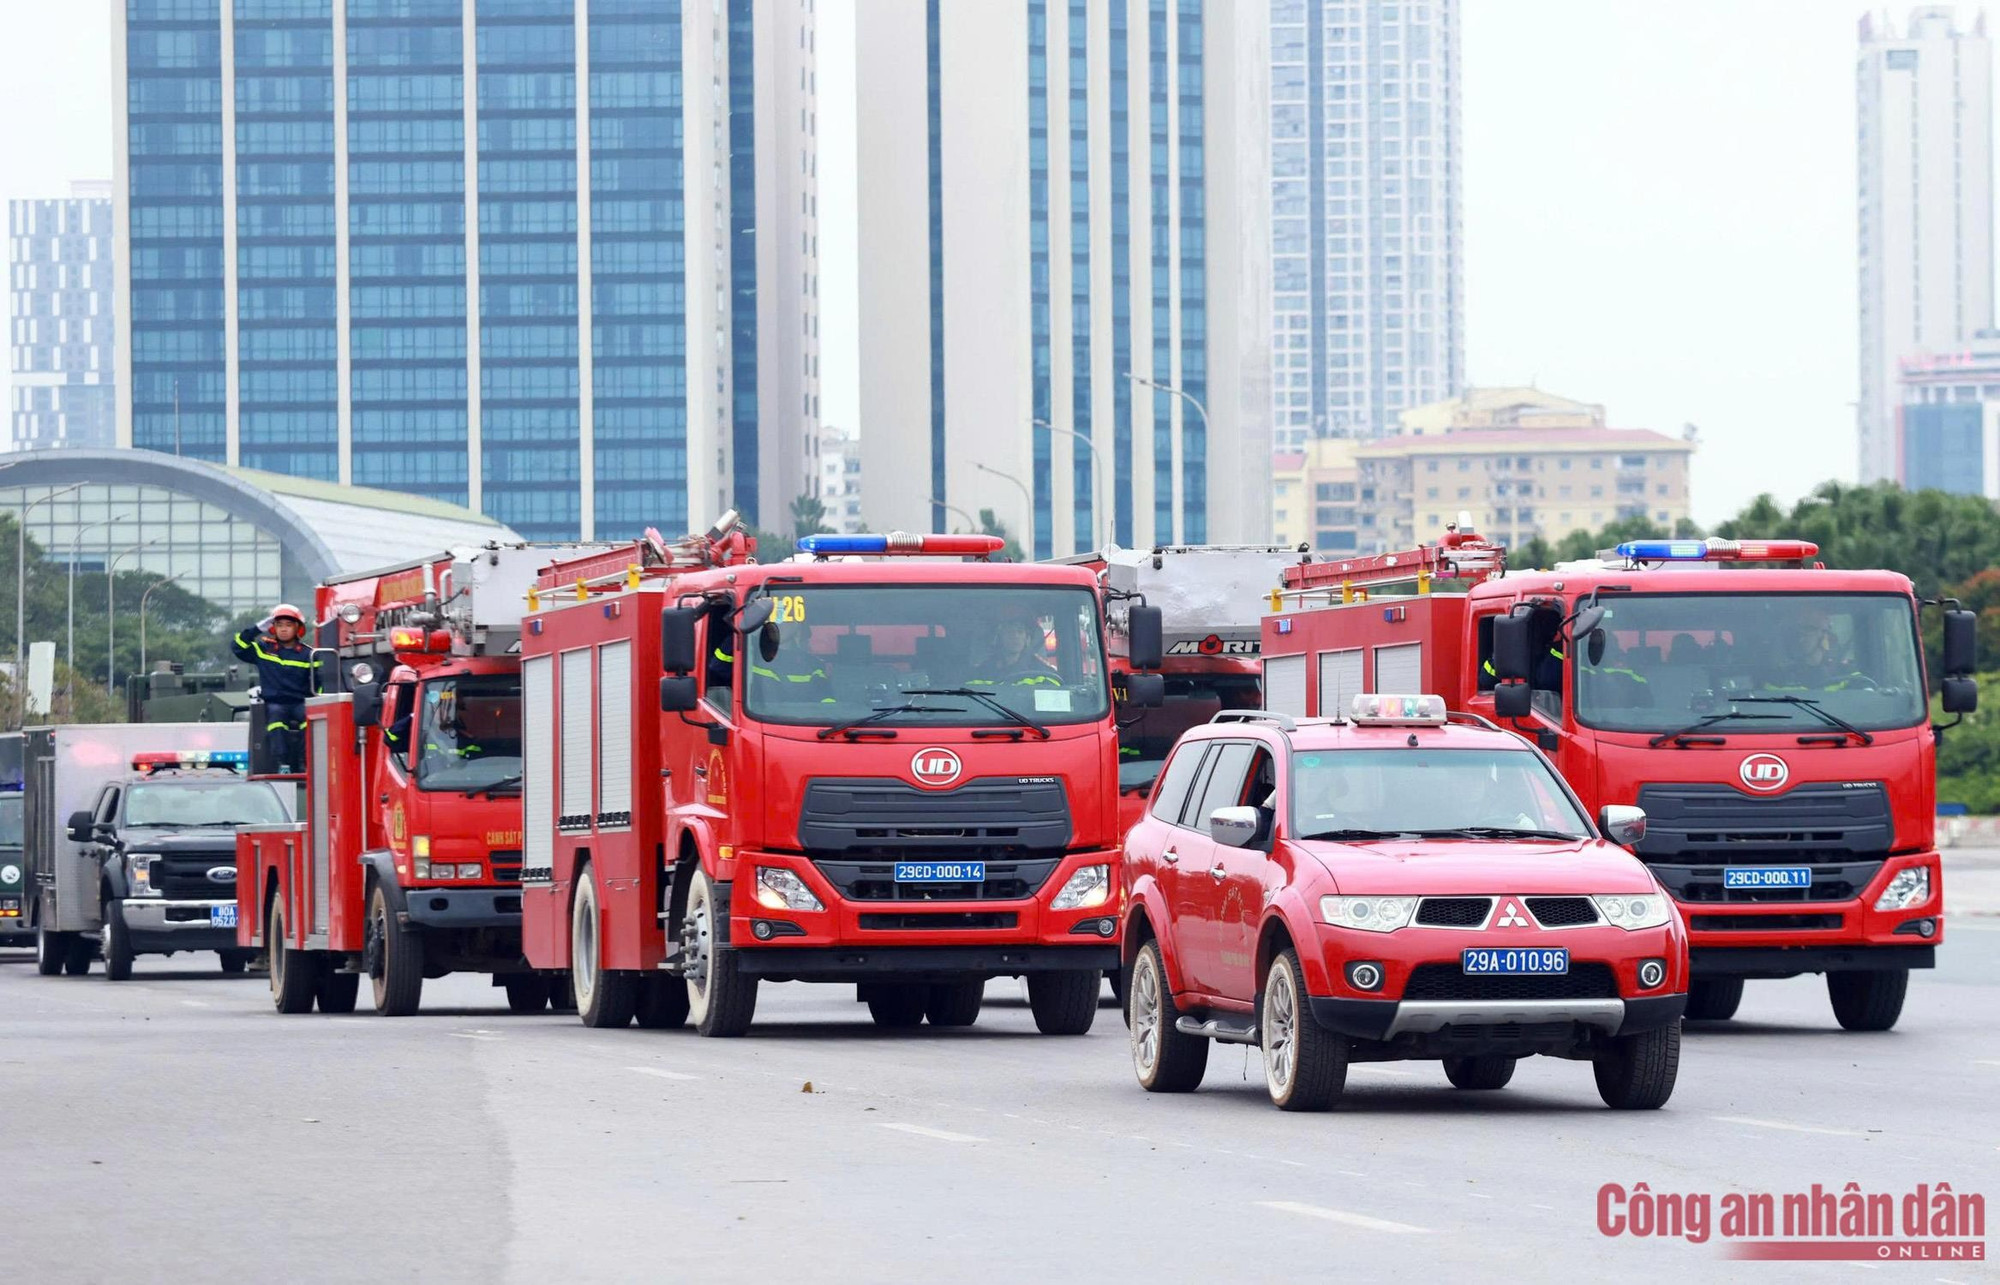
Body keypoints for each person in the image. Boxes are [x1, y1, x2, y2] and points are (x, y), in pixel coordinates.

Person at [231, 603, 320, 771]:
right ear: (273, 628)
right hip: (275, 703)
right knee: (276, 720)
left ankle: (305, 762)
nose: (283, 629)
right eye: (279, 625)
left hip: (301, 702)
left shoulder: (309, 654)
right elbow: (237, 647)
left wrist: (318, 702)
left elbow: (319, 681)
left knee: (310, 721)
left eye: (288, 625)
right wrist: (256, 629)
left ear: (297, 628)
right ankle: (281, 763)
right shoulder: (263, 649)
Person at [969, 610, 1060, 688]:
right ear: (998, 638)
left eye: (1020, 631)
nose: (1015, 636)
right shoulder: (982, 672)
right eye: (1009, 631)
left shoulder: (1043, 673)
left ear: (1027, 639)